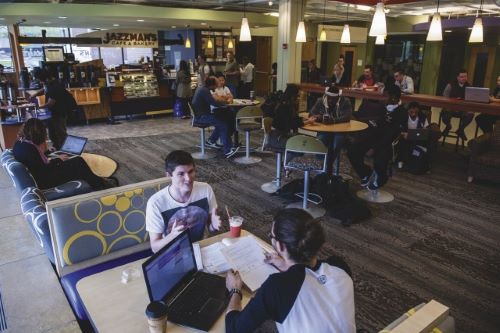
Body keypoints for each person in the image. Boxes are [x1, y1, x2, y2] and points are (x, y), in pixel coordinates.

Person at [225, 208, 356, 333]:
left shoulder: (278, 286)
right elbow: (312, 279)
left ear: (280, 246)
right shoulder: (340, 266)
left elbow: (234, 329)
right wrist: (286, 265)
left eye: (272, 236)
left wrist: (235, 290)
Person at [145, 150, 222, 253]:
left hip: (202, 248)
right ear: (168, 175)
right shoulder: (155, 203)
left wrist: (213, 226)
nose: (188, 179)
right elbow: (155, 247)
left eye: (191, 171)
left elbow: (210, 228)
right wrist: (172, 236)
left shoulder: (206, 189)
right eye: (181, 174)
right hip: (173, 253)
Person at [12, 118, 116, 191]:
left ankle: (98, 181)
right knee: (78, 162)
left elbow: (37, 161)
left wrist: (49, 153)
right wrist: (59, 160)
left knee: (75, 163)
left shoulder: (21, 143)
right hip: (44, 182)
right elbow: (45, 168)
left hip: (40, 176)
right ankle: (100, 185)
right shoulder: (30, 148)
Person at [346, 85, 407, 190]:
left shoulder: (402, 113)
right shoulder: (381, 107)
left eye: (385, 96)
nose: (382, 98)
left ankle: (381, 179)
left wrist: (374, 148)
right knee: (352, 151)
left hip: (389, 143)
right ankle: (365, 173)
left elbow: (390, 135)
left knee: (380, 161)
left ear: (393, 98)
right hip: (373, 138)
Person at [309, 84, 353, 174]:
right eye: (329, 98)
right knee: (320, 142)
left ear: (338, 97)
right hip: (324, 130)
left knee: (337, 142)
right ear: (326, 96)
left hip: (340, 131)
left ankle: (327, 164)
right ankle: (324, 164)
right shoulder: (320, 101)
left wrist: (333, 121)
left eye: (333, 99)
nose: (330, 101)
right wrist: (320, 117)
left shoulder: (345, 101)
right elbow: (311, 113)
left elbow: (347, 117)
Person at [30, 70, 77, 150]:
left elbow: (50, 103)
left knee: (60, 133)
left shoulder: (54, 87)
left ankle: (68, 150)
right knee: (53, 133)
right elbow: (44, 89)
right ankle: (58, 148)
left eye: (39, 79)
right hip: (54, 113)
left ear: (43, 78)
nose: (39, 82)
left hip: (59, 113)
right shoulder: (51, 83)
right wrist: (35, 94)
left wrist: (38, 108)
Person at [192, 76, 237, 157]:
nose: (217, 86)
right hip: (202, 117)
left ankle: (211, 141)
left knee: (222, 121)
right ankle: (228, 150)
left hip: (201, 115)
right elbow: (213, 103)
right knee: (223, 124)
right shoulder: (205, 91)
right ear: (212, 85)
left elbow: (213, 102)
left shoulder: (203, 89)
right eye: (216, 84)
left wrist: (223, 104)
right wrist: (225, 104)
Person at [441, 69, 474, 141]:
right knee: (445, 113)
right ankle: (448, 126)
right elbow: (444, 97)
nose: (464, 78)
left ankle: (461, 129)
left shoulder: (469, 86)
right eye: (462, 77)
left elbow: (471, 100)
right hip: (450, 108)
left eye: (465, 76)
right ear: (457, 77)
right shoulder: (450, 85)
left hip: (463, 109)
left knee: (471, 114)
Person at [396, 102, 429, 169]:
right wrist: (403, 133)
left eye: (416, 112)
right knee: (402, 143)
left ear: (418, 111)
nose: (413, 114)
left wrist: (421, 133)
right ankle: (401, 161)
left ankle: (415, 162)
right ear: (408, 110)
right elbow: (397, 129)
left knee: (421, 144)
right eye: (411, 112)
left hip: (418, 139)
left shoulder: (422, 118)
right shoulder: (403, 117)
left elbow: (425, 131)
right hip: (405, 137)